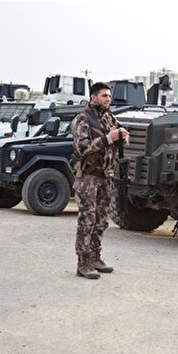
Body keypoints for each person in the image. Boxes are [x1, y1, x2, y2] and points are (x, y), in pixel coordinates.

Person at [72, 82, 129, 279]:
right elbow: (83, 148)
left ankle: (96, 257)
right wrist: (108, 139)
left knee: (101, 221)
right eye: (104, 96)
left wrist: (122, 136)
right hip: (88, 178)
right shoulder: (83, 119)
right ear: (93, 97)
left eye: (109, 96)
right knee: (87, 221)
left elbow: (121, 133)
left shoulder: (109, 117)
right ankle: (83, 263)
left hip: (106, 177)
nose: (108, 99)